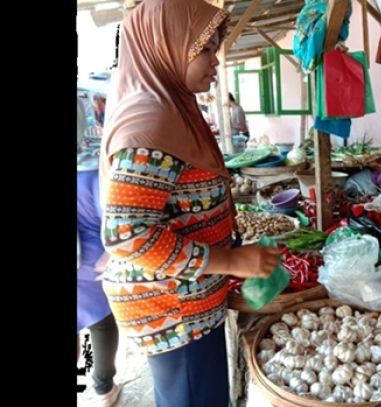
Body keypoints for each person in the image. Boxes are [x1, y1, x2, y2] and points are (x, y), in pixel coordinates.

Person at [97, 1, 279, 406]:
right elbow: (127, 235)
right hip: (175, 311)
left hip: (184, 301)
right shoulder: (152, 120)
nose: (215, 60)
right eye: (206, 49)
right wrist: (232, 261)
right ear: (169, 44)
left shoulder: (169, 109)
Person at [77, 96, 122, 406]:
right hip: (92, 263)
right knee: (101, 322)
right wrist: (112, 255)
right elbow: (114, 223)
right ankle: (104, 387)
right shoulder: (93, 170)